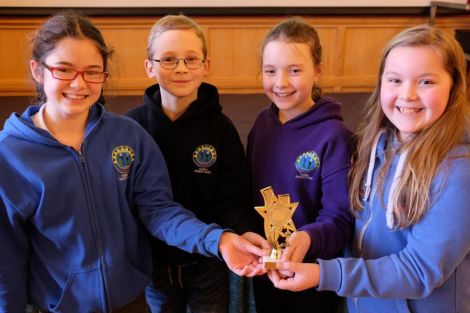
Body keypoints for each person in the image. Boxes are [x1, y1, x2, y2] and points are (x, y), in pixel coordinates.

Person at [0, 12, 268, 313]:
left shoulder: (128, 135)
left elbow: (158, 210)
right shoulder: (9, 154)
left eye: (92, 71)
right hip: (58, 306)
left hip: (130, 299)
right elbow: (6, 258)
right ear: (38, 70)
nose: (79, 83)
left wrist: (219, 239)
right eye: (64, 70)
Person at [269, 24, 470, 313]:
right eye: (395, 80)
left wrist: (324, 274)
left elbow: (419, 270)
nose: (408, 94)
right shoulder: (374, 143)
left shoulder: (459, 172)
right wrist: (308, 237)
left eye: (426, 82)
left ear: (453, 87)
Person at [125, 14, 270, 313]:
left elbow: (232, 197)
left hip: (208, 262)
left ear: (206, 66)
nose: (180, 68)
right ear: (149, 67)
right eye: (168, 59)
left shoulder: (222, 129)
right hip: (154, 263)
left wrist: (242, 231)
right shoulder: (131, 128)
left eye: (191, 59)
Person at [246, 17, 354, 313]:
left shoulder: (334, 137)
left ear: (317, 71)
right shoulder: (261, 124)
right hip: (267, 269)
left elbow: (339, 217)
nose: (280, 83)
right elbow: (249, 191)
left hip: (312, 273)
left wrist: (307, 238)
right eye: (270, 71)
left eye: (294, 70)